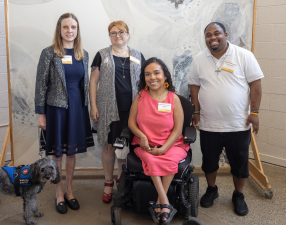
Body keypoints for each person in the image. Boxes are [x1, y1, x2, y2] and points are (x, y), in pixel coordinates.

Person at [188, 22, 264, 216]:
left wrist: (254, 113)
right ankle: (212, 190)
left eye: (217, 33)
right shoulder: (199, 59)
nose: (212, 38)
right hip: (209, 124)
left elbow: (255, 84)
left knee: (239, 163)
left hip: (238, 124)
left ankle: (238, 195)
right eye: (208, 35)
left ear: (226, 34)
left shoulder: (244, 55)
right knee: (209, 162)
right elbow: (194, 87)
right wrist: (195, 112)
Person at [35, 13, 94, 214]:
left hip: (77, 109)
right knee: (57, 154)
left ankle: (69, 191)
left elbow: (84, 84)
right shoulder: (49, 53)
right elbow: (40, 86)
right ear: (59, 30)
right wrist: (41, 114)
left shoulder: (83, 54)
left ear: (78, 31)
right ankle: (58, 193)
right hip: (56, 110)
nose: (70, 31)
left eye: (74, 27)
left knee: (71, 153)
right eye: (66, 27)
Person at [89, 20, 145, 203]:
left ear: (128, 34)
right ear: (110, 36)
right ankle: (108, 183)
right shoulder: (102, 55)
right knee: (109, 147)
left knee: (124, 148)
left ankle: (122, 183)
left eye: (121, 32)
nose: (117, 35)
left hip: (132, 110)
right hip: (108, 109)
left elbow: (145, 84)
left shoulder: (138, 55)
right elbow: (93, 82)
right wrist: (93, 106)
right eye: (113, 33)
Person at [128, 58, 189, 225]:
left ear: (165, 76)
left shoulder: (173, 98)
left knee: (168, 158)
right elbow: (131, 123)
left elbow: (178, 129)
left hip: (171, 144)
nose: (152, 77)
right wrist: (142, 136)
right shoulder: (141, 95)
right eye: (147, 74)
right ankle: (165, 202)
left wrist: (163, 149)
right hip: (145, 144)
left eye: (156, 73)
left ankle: (160, 202)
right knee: (151, 158)